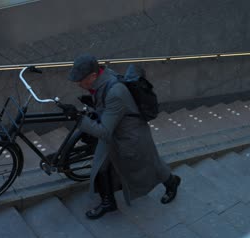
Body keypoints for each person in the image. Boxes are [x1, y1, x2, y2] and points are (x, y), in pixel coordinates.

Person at [66, 54, 181, 219]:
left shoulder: (114, 92)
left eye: (80, 80)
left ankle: (172, 182)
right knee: (101, 166)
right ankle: (108, 203)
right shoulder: (104, 77)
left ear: (93, 75)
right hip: (115, 130)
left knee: (151, 164)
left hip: (130, 137)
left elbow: (104, 130)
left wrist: (78, 118)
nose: (78, 84)